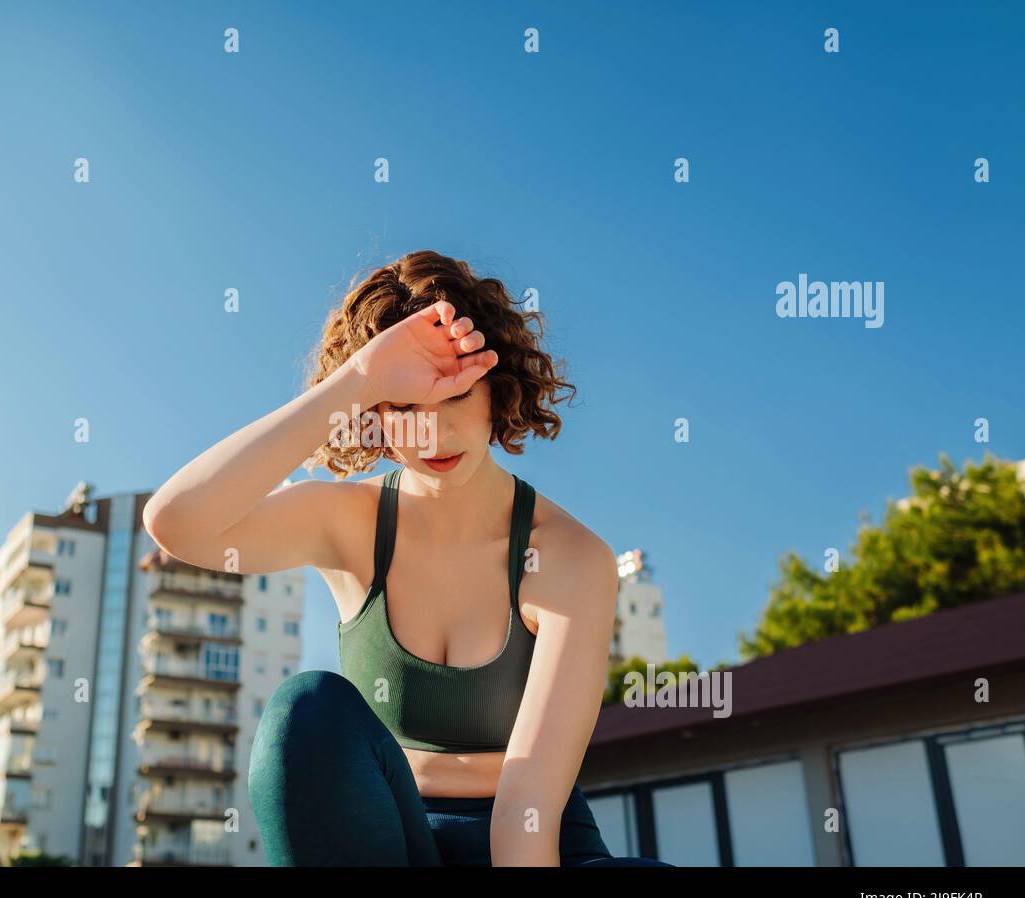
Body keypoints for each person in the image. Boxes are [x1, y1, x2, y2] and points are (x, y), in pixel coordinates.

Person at [143, 250, 672, 867]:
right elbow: (177, 522)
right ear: (372, 420)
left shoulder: (569, 556)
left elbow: (523, 820)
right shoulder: (348, 524)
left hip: (533, 840)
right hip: (386, 838)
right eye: (404, 407)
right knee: (305, 710)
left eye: (456, 396)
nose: (435, 434)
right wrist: (359, 380)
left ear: (496, 391)